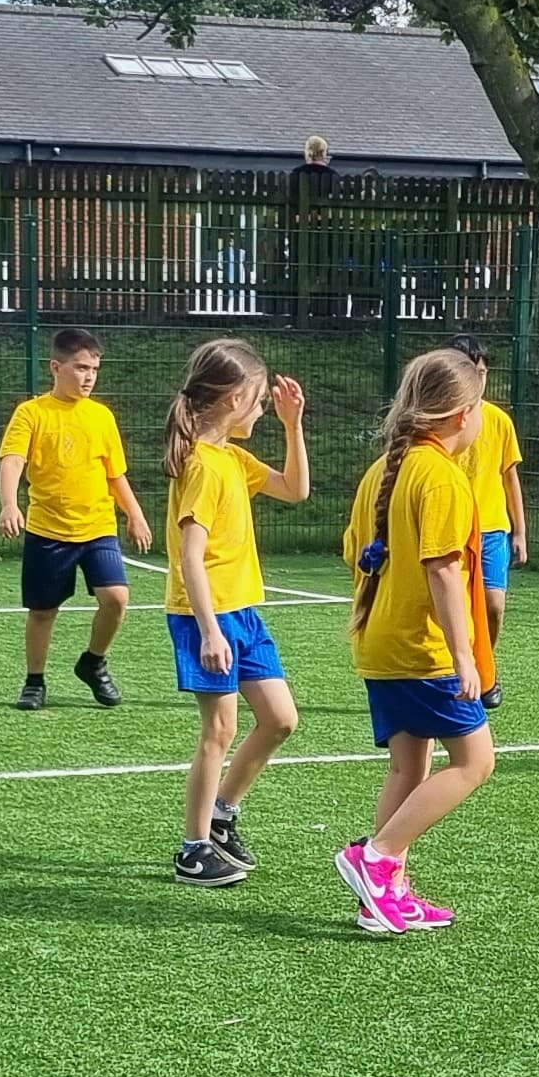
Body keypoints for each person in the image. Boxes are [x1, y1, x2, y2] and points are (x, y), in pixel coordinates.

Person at [333, 350, 492, 936]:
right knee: (475, 762)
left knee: (408, 767)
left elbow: (355, 551)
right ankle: (375, 859)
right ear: (461, 415)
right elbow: (443, 571)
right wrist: (464, 655)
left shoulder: (384, 469)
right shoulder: (442, 477)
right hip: (420, 651)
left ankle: (383, 895)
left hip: (380, 644)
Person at [161, 339, 313, 887]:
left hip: (243, 611)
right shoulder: (201, 464)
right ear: (230, 398)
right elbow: (189, 556)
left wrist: (294, 426)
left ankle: (222, 814)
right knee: (219, 729)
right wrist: (208, 630)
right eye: (258, 399)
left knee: (279, 720)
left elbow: (295, 490)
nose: (262, 409)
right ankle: (193, 848)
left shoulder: (232, 457)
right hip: (208, 617)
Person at [0, 326, 151, 709]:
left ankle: (93, 663)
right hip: (48, 529)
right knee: (44, 610)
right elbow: (13, 460)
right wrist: (10, 504)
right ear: (55, 366)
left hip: (98, 527)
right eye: (80, 368)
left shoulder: (101, 417)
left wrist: (136, 514)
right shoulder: (31, 413)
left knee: (116, 598)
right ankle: (35, 682)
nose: (88, 377)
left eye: (94, 370)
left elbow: (116, 474)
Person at [450, 335, 528, 703]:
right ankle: (455, 670)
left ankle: (486, 668)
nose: (479, 379)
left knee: (493, 604)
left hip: (493, 529)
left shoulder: (498, 421)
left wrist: (520, 532)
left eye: (483, 372)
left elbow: (510, 476)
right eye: (471, 372)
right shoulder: (442, 421)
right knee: (452, 605)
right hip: (452, 528)